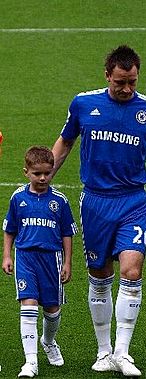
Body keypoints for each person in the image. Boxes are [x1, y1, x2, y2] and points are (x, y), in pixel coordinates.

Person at [51, 45, 146, 377]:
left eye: (132, 82)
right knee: (100, 275)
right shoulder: (84, 103)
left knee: (132, 271)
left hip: (133, 201)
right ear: (107, 75)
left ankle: (122, 352)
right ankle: (104, 350)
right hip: (95, 201)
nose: (126, 89)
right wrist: (45, 176)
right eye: (120, 82)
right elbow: (65, 141)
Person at [2, 146, 78, 378]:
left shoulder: (60, 201)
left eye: (47, 173)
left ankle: (48, 341)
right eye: (37, 174)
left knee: (52, 310)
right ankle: (30, 362)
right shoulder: (18, 198)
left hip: (51, 259)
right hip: (25, 257)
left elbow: (67, 233)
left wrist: (67, 262)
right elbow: (10, 229)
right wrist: (7, 255)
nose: (43, 178)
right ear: (26, 172)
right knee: (29, 305)